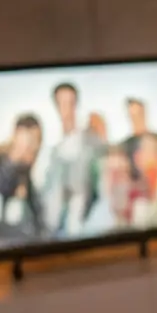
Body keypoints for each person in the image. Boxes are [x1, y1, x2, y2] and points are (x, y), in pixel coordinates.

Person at [0, 113, 45, 241]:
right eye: (31, 141)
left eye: (38, 142)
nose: (35, 147)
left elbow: (38, 220)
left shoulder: (26, 175)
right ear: (17, 137)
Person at [43, 82, 100, 236]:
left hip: (88, 227)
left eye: (71, 103)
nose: (67, 110)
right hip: (58, 231)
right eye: (62, 104)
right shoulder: (53, 152)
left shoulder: (92, 141)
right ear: (56, 107)